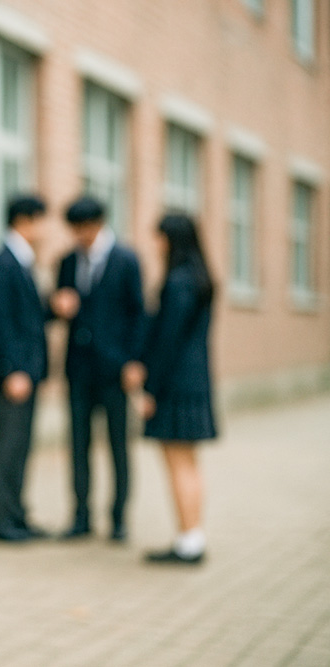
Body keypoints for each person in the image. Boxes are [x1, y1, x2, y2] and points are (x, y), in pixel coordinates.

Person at [50, 195, 146, 542]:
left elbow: (139, 314)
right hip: (78, 369)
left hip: (116, 370)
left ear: (99, 224)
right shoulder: (66, 262)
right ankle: (81, 516)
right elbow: (58, 306)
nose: (80, 236)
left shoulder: (126, 259)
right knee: (78, 444)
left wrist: (135, 361)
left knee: (119, 445)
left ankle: (119, 518)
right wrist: (56, 305)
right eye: (74, 230)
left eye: (84, 229)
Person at [139, 214, 218, 565]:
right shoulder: (199, 280)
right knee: (189, 464)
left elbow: (167, 341)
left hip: (176, 387)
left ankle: (189, 540)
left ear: (172, 241)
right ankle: (192, 536)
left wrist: (150, 389)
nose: (156, 245)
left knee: (179, 464)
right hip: (193, 382)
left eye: (160, 238)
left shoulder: (178, 283)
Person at [0, 194, 50, 542]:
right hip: (14, 374)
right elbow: (0, 320)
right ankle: (0, 521)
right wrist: (12, 370)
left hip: (26, 372)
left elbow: (27, 316)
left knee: (20, 444)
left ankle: (17, 515)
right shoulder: (3, 263)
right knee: (7, 445)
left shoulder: (21, 261)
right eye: (42, 221)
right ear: (26, 221)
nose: (45, 229)